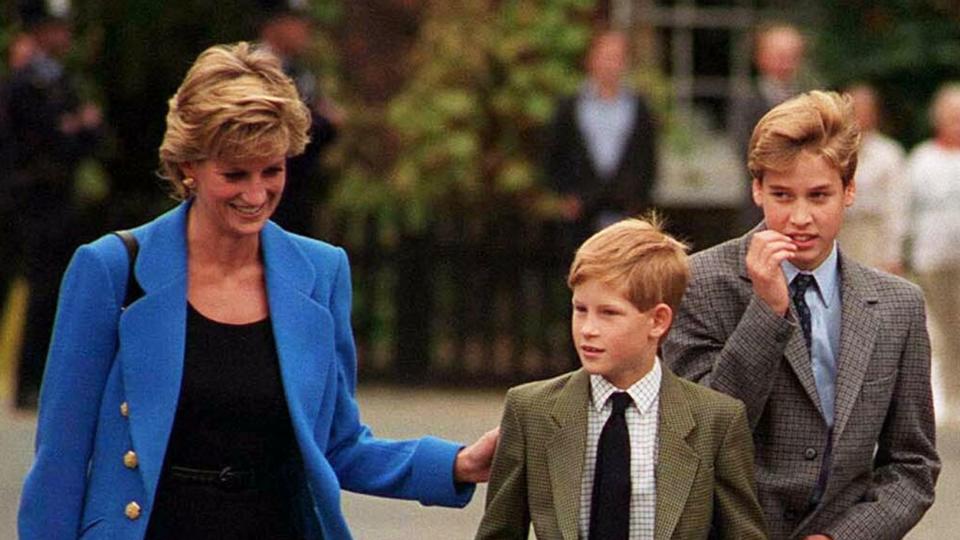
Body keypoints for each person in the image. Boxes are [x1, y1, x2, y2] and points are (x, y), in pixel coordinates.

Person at [18, 42, 497, 539]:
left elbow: (336, 445)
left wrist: (458, 464)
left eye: (272, 170)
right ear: (188, 167)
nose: (255, 194)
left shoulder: (321, 271)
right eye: (234, 174)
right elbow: (61, 463)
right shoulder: (112, 270)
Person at [663, 91, 940, 539]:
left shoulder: (897, 305)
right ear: (757, 190)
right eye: (782, 195)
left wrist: (842, 537)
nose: (800, 217)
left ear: (849, 191)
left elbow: (913, 465)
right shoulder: (700, 283)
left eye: (819, 196)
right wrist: (767, 310)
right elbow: (696, 439)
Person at [476, 218, 766, 540]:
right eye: (580, 309)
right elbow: (499, 531)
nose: (588, 328)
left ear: (657, 321)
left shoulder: (717, 420)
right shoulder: (531, 410)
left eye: (609, 313)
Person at [5, 5, 104, 409]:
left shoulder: (60, 79)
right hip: (23, 195)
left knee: (49, 290)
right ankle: (27, 380)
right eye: (55, 27)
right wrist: (73, 128)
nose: (64, 35)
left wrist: (79, 128)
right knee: (25, 284)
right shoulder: (25, 80)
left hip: (55, 198)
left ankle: (33, 381)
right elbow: (48, 136)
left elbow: (86, 136)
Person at [545, 29, 658, 260]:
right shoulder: (570, 106)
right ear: (591, 59)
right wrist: (566, 195)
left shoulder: (639, 106)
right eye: (605, 56)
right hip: (581, 209)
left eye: (617, 58)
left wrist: (638, 199)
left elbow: (648, 157)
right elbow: (554, 152)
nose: (610, 65)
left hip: (624, 208)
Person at [257, 4, 343, 236]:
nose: (305, 30)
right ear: (276, 24)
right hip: (263, 191)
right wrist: (323, 122)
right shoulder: (256, 68)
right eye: (297, 22)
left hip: (298, 187)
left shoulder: (301, 72)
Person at [904, 83, 960, 427]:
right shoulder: (921, 159)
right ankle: (946, 397)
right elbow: (906, 211)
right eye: (951, 116)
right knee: (939, 331)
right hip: (932, 260)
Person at [731, 23, 808, 233]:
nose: (786, 63)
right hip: (760, 206)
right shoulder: (747, 100)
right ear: (761, 57)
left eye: (791, 56)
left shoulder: (809, 100)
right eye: (779, 55)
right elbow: (744, 150)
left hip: (804, 205)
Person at [837, 83, 907, 273]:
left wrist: (893, 254)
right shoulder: (831, 151)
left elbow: (896, 206)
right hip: (840, 234)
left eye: (864, 110)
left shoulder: (889, 154)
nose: (858, 115)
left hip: (873, 236)